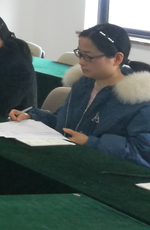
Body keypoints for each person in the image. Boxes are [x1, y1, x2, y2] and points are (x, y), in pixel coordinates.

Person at [10, 24, 150, 167]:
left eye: (88, 56)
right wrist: (34, 116)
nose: (81, 62)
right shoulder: (83, 84)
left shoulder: (138, 99)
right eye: (80, 54)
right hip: (70, 161)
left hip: (103, 171)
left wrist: (89, 142)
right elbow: (64, 121)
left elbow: (142, 153)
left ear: (117, 58)